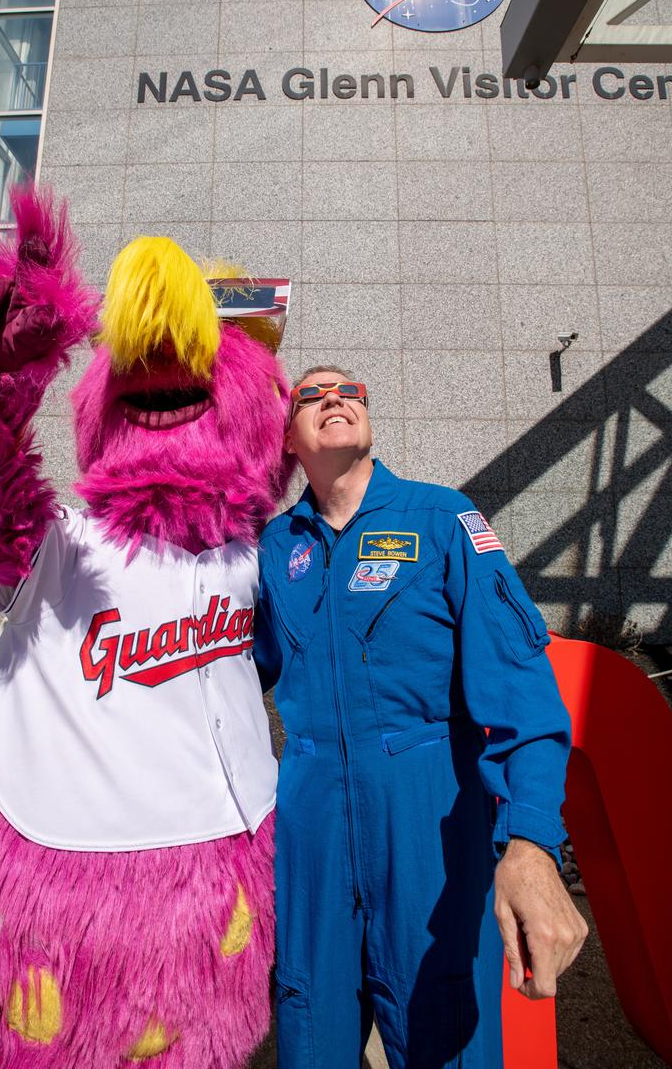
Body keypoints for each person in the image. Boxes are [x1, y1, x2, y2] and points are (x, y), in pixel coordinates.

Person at [254, 367, 587, 1069]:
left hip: (430, 816)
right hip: (310, 823)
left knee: (442, 1027)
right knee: (307, 1023)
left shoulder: (441, 521)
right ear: (287, 438)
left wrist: (530, 841)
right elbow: (227, 676)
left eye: (350, 391)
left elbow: (522, 689)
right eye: (311, 395)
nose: (334, 398)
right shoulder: (274, 548)